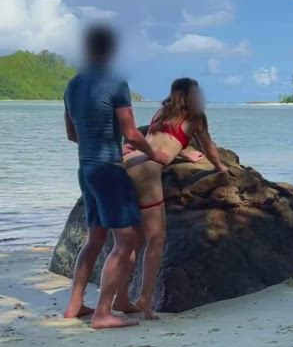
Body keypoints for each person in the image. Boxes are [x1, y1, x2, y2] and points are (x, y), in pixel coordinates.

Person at [62, 25, 170, 329]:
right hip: (109, 170)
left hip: (86, 170)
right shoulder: (116, 83)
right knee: (126, 241)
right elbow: (132, 133)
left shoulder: (72, 86)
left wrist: (97, 139)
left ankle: (75, 306)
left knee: (95, 239)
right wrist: (154, 154)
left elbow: (72, 134)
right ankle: (102, 313)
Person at [114, 78, 228, 320]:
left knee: (131, 240)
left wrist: (184, 152)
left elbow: (160, 138)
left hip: (127, 164)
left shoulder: (162, 112)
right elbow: (208, 146)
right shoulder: (196, 116)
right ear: (189, 95)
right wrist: (221, 167)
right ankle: (144, 299)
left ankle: (121, 297)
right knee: (156, 239)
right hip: (147, 172)